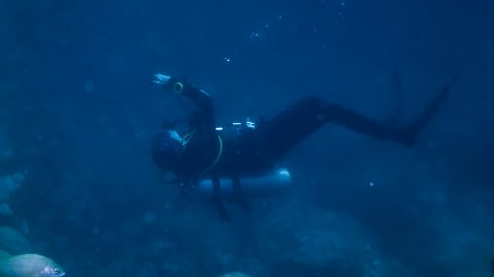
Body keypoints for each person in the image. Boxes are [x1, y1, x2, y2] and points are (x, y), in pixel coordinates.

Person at [150, 72, 456, 218]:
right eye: (171, 138)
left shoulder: (186, 161)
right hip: (262, 149)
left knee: (318, 110)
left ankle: (381, 133)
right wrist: (177, 85)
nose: (174, 133)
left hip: (258, 146)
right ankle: (397, 135)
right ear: (176, 148)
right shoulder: (198, 145)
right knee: (323, 110)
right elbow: (206, 102)